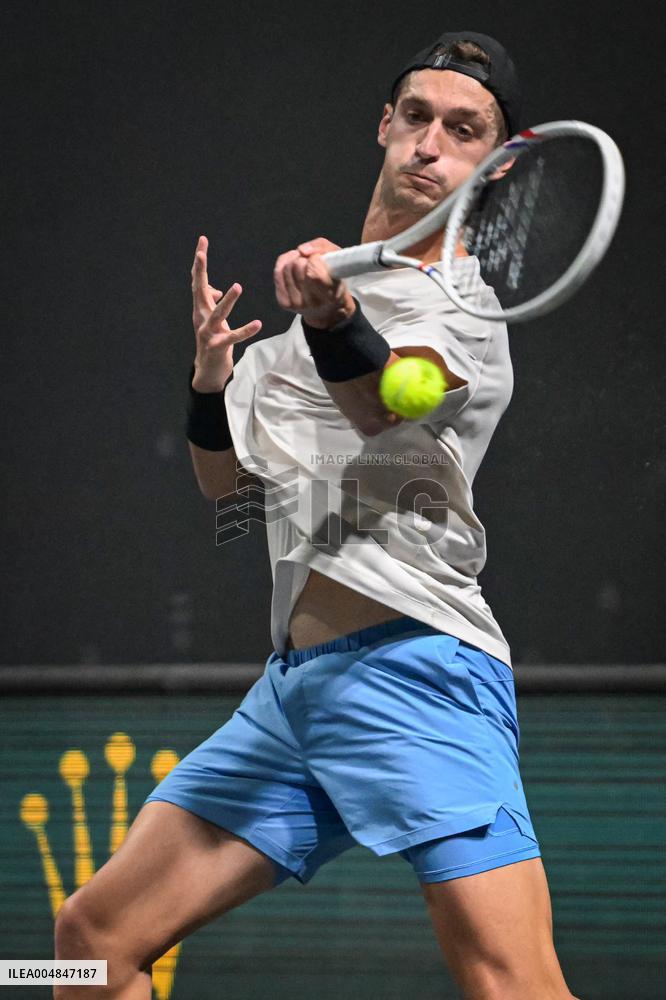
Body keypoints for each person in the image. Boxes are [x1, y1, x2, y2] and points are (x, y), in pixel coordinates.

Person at [54, 31, 580, 1000]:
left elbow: (386, 404)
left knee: (514, 985)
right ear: (384, 126)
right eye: (416, 116)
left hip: (418, 670)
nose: (429, 143)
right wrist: (210, 383)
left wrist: (339, 320)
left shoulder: (464, 306)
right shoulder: (294, 328)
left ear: (494, 165)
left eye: (463, 131)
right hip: (295, 694)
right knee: (87, 938)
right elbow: (228, 493)